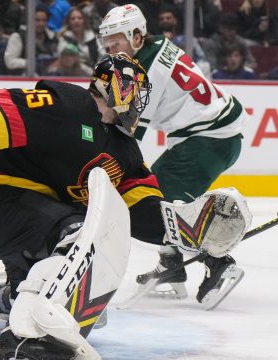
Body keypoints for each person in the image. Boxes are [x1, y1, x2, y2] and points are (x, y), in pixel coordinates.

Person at [0, 53, 251, 359]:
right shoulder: (70, 105)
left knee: (84, 305)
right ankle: (28, 339)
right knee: (77, 237)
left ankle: (2, 301)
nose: (140, 101)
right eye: (138, 90)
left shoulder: (125, 151)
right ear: (118, 85)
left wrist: (190, 228)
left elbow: (139, 209)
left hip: (35, 224)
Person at [99, 4, 249, 308]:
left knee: (156, 207)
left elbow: (124, 136)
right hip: (209, 134)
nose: (109, 46)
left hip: (207, 140)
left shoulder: (139, 73)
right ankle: (171, 264)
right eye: (106, 40)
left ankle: (220, 262)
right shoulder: (155, 46)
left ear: (137, 36)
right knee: (156, 193)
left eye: (116, 39)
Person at [3, 6, 58, 76]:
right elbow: (9, 62)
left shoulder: (52, 37)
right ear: (30, 21)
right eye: (37, 20)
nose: (41, 23)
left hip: (50, 76)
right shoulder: (18, 37)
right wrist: (30, 63)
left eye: (44, 20)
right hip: (24, 78)